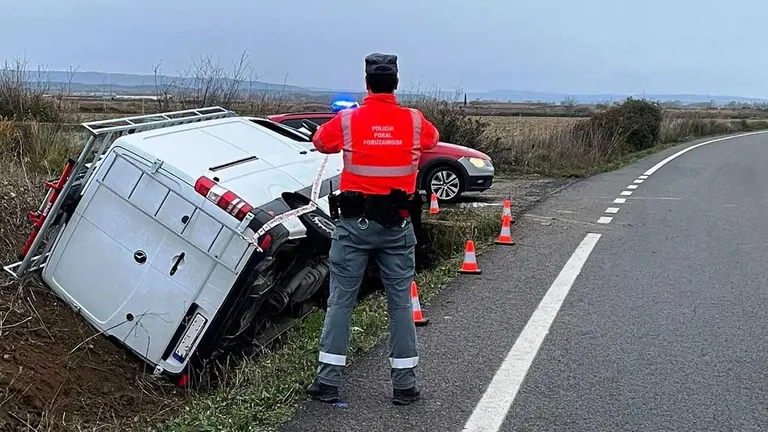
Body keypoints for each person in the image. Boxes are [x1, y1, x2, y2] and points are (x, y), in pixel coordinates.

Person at [306, 53, 440, 405]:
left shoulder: (348, 120)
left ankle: (328, 382)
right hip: (397, 227)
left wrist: (345, 119)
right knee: (399, 305)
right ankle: (405, 386)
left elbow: (320, 142)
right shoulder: (414, 120)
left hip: (353, 228)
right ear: (395, 84)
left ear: (367, 84)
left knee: (341, 302)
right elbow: (432, 139)